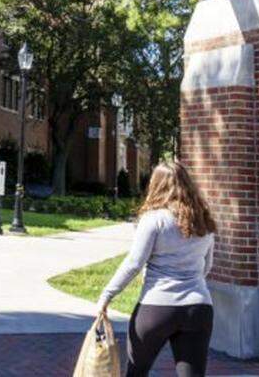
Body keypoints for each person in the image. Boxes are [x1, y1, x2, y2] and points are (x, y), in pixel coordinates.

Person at [97, 161, 215, 377]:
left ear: (156, 185)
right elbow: (207, 266)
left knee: (137, 371)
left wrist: (107, 294)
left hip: (157, 307)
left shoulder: (153, 219)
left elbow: (134, 263)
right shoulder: (203, 220)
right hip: (199, 306)